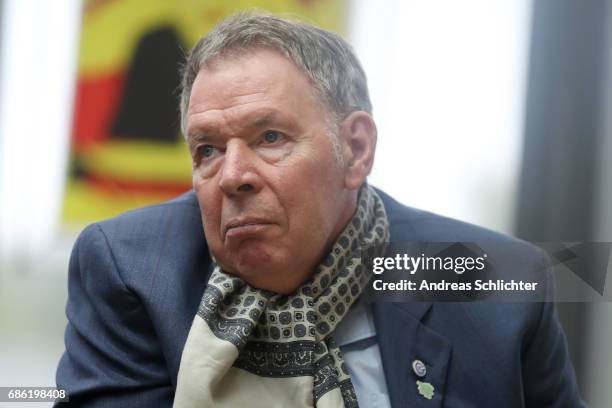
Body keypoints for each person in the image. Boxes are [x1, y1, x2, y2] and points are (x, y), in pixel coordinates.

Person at [55, 12, 585, 407]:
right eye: (208, 150)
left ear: (355, 150)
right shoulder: (132, 269)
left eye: (269, 137)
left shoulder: (495, 281)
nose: (233, 176)